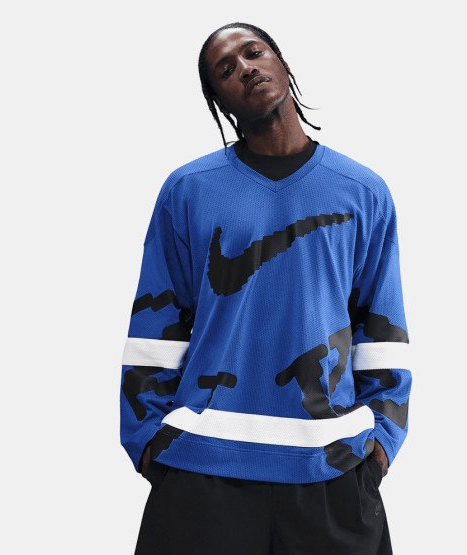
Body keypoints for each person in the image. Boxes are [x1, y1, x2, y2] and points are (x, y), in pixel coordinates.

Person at [120, 21, 412, 555]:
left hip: (331, 474)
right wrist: (149, 444)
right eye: (225, 70)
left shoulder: (363, 190)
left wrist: (381, 444)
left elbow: (382, 328)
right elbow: (154, 326)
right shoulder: (188, 190)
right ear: (219, 101)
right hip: (202, 473)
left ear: (281, 61)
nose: (245, 68)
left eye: (253, 53)